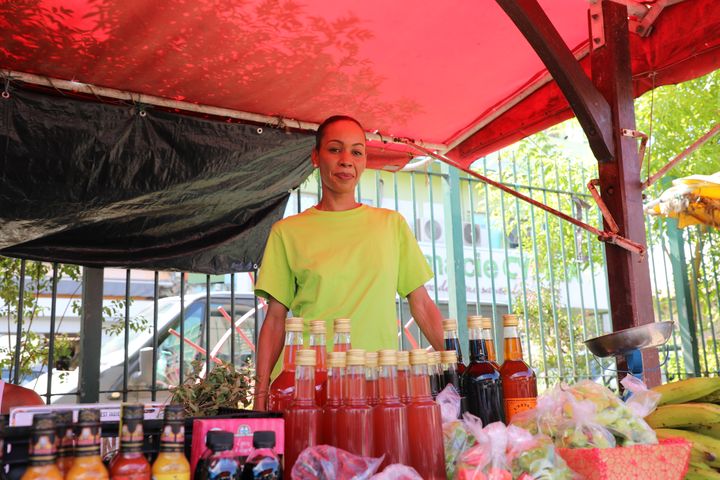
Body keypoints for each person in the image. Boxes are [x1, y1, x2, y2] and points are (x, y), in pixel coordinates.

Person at [253, 115, 444, 410]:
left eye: (356, 152)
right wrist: (262, 395)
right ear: (316, 157)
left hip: (377, 383)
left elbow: (421, 304)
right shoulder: (287, 231)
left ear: (365, 162)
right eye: (335, 149)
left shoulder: (390, 225)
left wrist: (458, 366)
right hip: (307, 386)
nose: (346, 160)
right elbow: (275, 319)